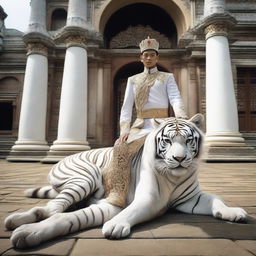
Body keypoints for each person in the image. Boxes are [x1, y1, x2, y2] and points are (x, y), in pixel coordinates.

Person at [103, 37, 188, 208]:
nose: (149, 58)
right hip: (140, 124)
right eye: (146, 55)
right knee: (120, 146)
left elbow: (175, 98)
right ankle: (117, 192)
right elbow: (126, 107)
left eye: (152, 55)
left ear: (157, 58)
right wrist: (124, 130)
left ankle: (180, 191)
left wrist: (181, 116)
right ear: (141, 58)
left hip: (162, 123)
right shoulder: (132, 80)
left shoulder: (167, 77)